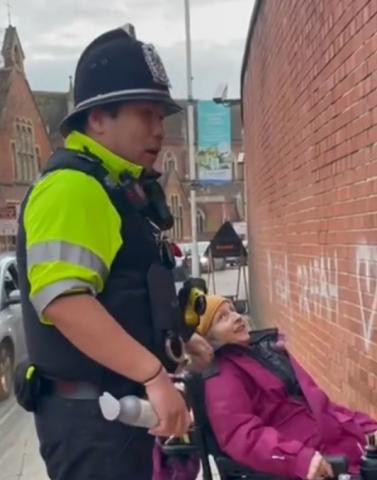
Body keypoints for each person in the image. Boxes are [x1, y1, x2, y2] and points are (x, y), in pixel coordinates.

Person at [16, 25, 212, 480]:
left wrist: (178, 345)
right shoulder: (73, 187)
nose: (159, 130)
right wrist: (152, 375)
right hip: (98, 427)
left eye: (162, 117)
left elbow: (124, 295)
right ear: (98, 119)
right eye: (146, 114)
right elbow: (65, 302)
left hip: (120, 420)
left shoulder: (114, 188)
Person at [195, 295, 377, 479]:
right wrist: (299, 460)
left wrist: (367, 426)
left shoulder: (265, 352)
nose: (236, 317)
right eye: (222, 318)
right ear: (207, 338)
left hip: (339, 444)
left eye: (233, 310)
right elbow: (241, 435)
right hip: (314, 462)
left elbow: (320, 404)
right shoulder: (221, 376)